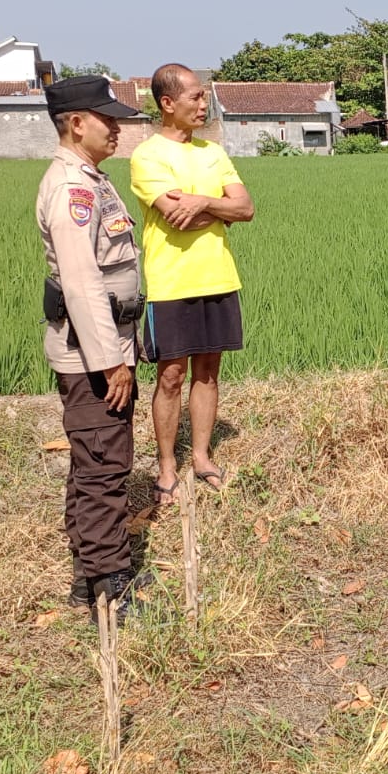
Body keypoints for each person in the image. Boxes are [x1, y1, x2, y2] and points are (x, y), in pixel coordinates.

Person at [35, 74, 146, 620]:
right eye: (109, 120)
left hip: (103, 346)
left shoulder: (92, 180)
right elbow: (80, 281)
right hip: (92, 356)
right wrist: (111, 362)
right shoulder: (71, 189)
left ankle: (87, 576)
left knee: (93, 464)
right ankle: (112, 588)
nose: (118, 130)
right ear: (77, 123)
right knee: (104, 468)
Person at [129, 64, 255, 502]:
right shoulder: (147, 156)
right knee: (170, 376)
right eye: (196, 97)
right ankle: (167, 468)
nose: (204, 105)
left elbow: (246, 209)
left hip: (218, 275)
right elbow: (174, 218)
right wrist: (220, 206)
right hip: (170, 282)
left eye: (204, 97)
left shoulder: (212, 153)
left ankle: (201, 458)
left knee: (208, 372)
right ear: (168, 103)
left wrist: (202, 201)